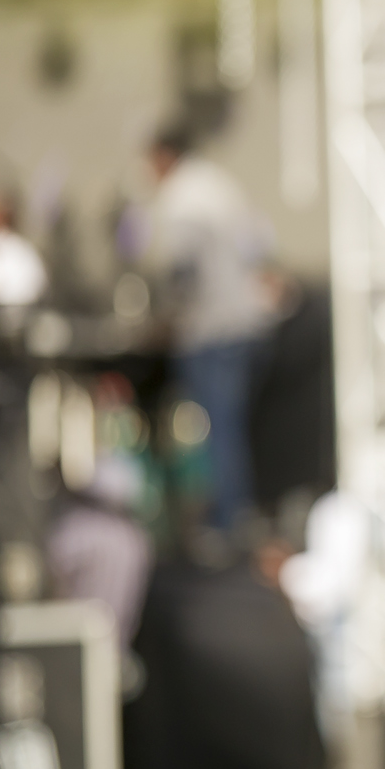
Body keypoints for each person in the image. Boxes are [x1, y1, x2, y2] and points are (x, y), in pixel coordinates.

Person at [145, 122, 275, 535]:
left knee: (218, 430)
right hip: (246, 323)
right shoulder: (220, 185)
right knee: (234, 429)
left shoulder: (183, 197)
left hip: (212, 329)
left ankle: (226, 525)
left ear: (164, 155)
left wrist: (166, 316)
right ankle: (238, 516)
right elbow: (260, 246)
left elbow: (183, 271)